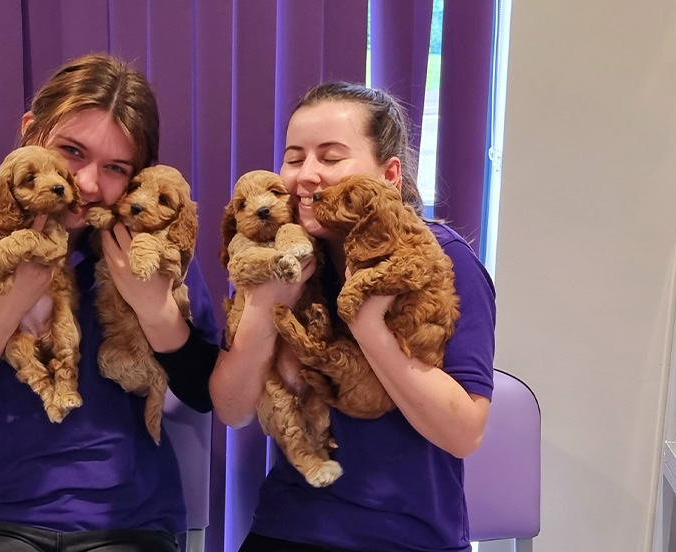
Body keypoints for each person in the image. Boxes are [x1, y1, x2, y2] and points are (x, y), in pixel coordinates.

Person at [0, 53, 221, 552]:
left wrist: (153, 308)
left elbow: (206, 394)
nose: (86, 185)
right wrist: (5, 308)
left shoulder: (145, 245)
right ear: (31, 132)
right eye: (71, 151)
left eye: (115, 167)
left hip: (127, 520)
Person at [210, 82, 496, 552]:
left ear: (389, 174)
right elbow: (233, 409)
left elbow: (463, 432)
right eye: (295, 157)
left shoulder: (441, 262)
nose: (307, 176)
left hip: (408, 537)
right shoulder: (279, 255)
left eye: (331, 156)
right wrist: (268, 301)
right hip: (291, 526)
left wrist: (368, 326)